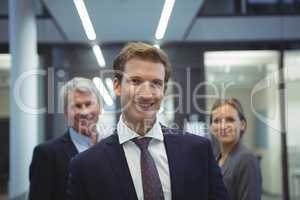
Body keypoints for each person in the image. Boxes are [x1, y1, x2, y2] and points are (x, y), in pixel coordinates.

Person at [67, 42, 229, 200]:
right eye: (135, 81)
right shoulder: (86, 166)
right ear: (117, 86)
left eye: (156, 83)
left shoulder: (198, 151)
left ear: (164, 90)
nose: (146, 94)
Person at [29, 77, 102, 200]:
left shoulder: (113, 149)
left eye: (89, 104)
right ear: (65, 112)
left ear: (100, 107)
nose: (84, 112)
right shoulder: (47, 154)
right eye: (77, 106)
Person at [209, 98, 262, 200]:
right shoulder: (217, 158)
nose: (223, 126)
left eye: (230, 120)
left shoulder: (246, 159)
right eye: (217, 121)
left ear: (242, 124)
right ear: (211, 127)